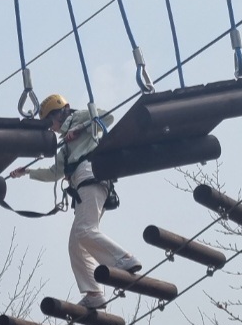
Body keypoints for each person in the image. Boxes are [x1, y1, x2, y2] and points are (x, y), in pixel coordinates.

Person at [9, 93, 142, 309]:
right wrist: (28, 172)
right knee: (76, 244)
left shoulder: (78, 117)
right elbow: (54, 173)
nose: (51, 128)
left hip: (91, 172)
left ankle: (124, 260)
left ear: (58, 114)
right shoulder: (64, 147)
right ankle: (93, 293)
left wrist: (80, 128)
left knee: (85, 231)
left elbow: (107, 118)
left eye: (49, 122)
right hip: (83, 182)